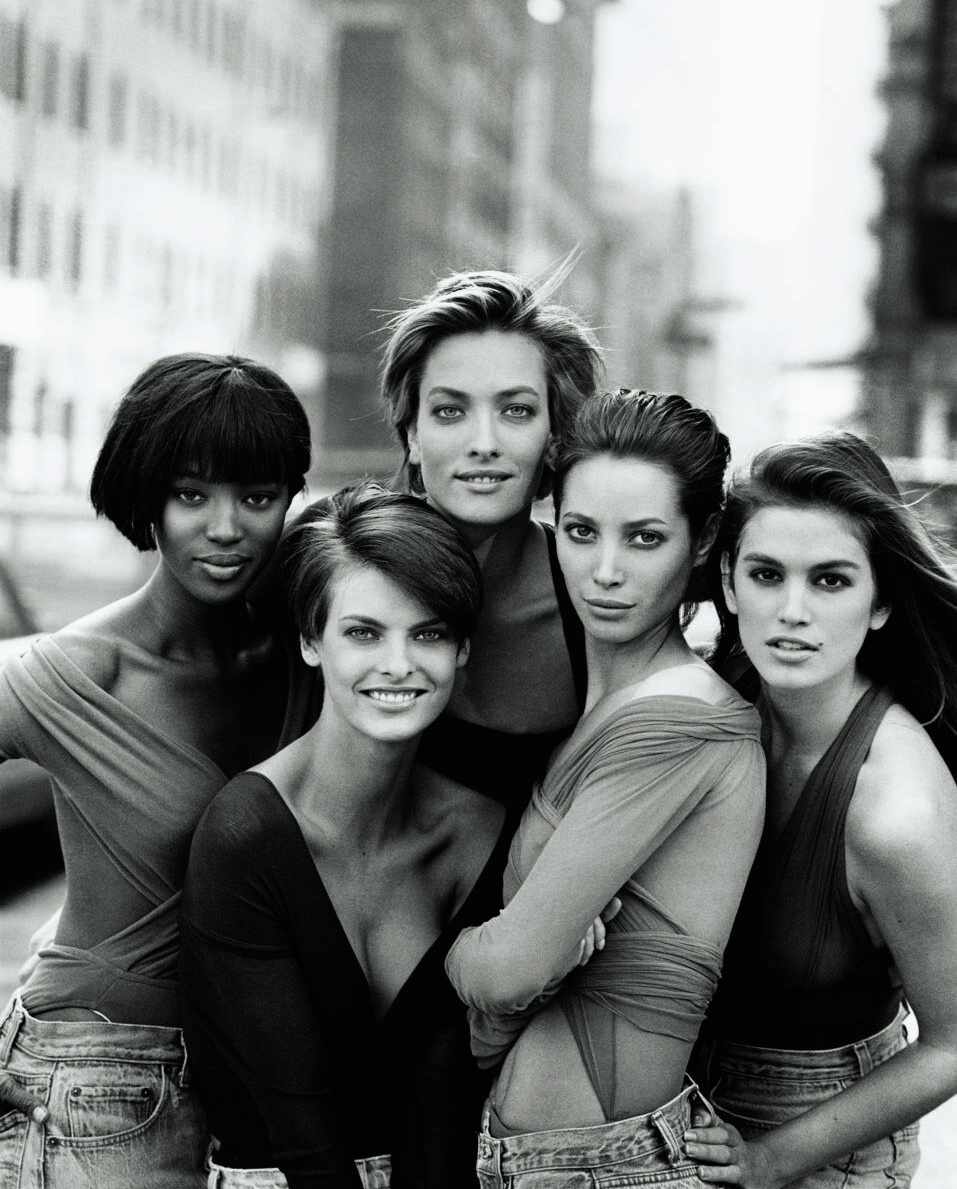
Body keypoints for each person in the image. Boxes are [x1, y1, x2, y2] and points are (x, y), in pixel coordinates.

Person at [0, 352, 314, 1188]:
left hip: (261, 1090)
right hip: (93, 1078)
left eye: (256, 497)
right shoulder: (76, 674)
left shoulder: (309, 651)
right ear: (149, 495)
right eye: (191, 494)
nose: (225, 527)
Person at [445, 389, 766, 1189]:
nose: (606, 571)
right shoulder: (590, 707)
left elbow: (511, 970)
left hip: (602, 1167)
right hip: (554, 1160)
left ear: (700, 546)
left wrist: (458, 954)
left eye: (645, 538)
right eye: (582, 533)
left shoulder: (674, 721)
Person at [178, 485, 510, 1189]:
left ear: (464, 647)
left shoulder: (479, 827)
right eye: (363, 633)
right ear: (309, 639)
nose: (398, 664)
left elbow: (446, 1095)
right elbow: (300, 1136)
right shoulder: (247, 835)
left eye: (429, 633)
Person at [685, 432, 957, 1188]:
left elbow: (953, 1045)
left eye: (830, 581)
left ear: (879, 606)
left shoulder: (895, 811)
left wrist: (774, 1158)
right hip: (688, 1104)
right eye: (766, 575)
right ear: (730, 587)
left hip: (827, 1141)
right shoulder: (713, 694)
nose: (790, 612)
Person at [378, 266, 603, 819]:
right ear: (412, 433)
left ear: (555, 435)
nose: (484, 443)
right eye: (450, 411)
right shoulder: (339, 566)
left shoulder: (595, 597)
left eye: (516, 410)